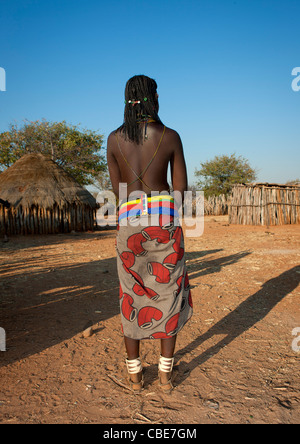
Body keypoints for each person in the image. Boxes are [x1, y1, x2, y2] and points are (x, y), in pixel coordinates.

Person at [107, 75, 193, 393]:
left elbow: (119, 193)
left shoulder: (114, 140)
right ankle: (166, 376)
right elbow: (181, 193)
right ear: (153, 98)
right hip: (164, 224)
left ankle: (134, 375)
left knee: (132, 293)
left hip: (129, 223)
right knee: (169, 293)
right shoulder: (170, 136)